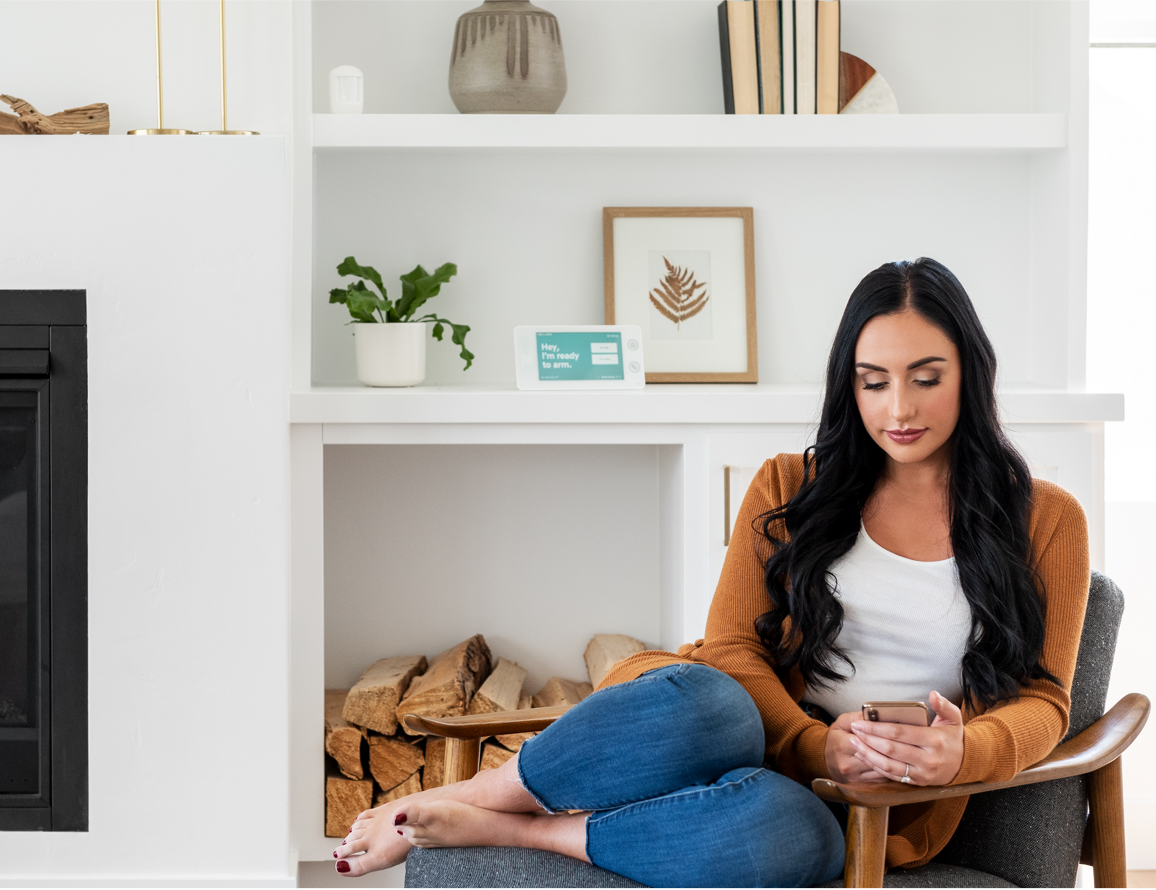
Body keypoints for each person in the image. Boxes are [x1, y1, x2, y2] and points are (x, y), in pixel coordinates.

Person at [333, 257, 1089, 888]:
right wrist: (811, 740)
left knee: (779, 842)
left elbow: (1046, 699)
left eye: (926, 377)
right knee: (710, 701)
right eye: (873, 380)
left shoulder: (1047, 518)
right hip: (747, 730)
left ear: (970, 373)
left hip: (853, 802)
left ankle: (521, 831)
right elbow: (730, 650)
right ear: (847, 384)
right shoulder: (790, 483)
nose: (898, 407)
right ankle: (473, 792)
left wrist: (966, 750)